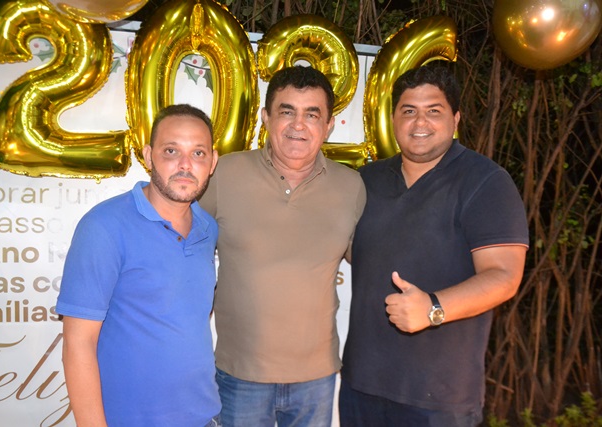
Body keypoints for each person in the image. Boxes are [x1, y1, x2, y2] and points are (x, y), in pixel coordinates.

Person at [339, 64, 529, 426]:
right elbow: (352, 250)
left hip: (440, 398)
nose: (420, 122)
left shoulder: (485, 181)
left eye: (434, 111)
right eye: (409, 110)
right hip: (361, 385)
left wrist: (433, 308)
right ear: (393, 119)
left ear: (455, 119)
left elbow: (504, 276)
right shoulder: (366, 180)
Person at [199, 65, 366, 427]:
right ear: (266, 117)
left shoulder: (351, 187)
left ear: (329, 125)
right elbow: (184, 251)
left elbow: (373, 264)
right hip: (239, 375)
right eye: (287, 111)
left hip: (316, 380)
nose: (298, 125)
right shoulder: (224, 174)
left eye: (312, 114)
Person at [57, 104, 221, 427]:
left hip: (206, 417)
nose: (185, 165)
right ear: (148, 155)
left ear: (212, 162)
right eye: (171, 150)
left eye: (198, 153)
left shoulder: (208, 228)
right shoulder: (104, 226)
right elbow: (78, 344)